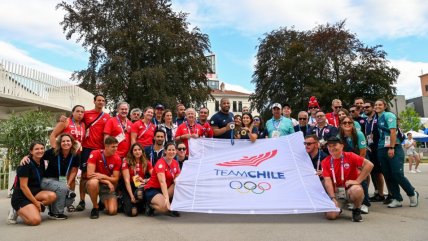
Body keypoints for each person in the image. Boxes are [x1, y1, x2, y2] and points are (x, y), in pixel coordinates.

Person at [375, 99, 419, 208]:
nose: (377, 106)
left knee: (397, 174)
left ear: (385, 106)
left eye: (380, 104)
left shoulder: (388, 115)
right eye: (375, 105)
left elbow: (393, 131)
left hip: (393, 147)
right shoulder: (377, 118)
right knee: (388, 175)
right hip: (381, 148)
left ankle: (412, 193)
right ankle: (397, 198)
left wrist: (391, 147)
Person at [322, 137, 373, 222]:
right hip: (336, 192)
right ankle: (338, 208)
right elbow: (327, 181)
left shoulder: (350, 156)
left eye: (334, 145)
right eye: (329, 146)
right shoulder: (325, 161)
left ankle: (356, 210)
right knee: (330, 216)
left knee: (357, 189)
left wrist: (357, 181)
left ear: (342, 146)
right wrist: (333, 198)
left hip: (349, 191)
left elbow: (369, 165)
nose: (332, 148)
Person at [76, 94, 110, 212]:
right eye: (99, 100)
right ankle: (82, 201)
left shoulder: (107, 117)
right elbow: (75, 119)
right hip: (87, 148)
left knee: (99, 174)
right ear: (94, 101)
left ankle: (100, 200)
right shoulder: (86, 114)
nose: (101, 102)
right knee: (84, 175)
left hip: (100, 149)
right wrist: (63, 118)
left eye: (103, 100)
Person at [9, 142, 56, 225]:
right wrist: (36, 203)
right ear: (31, 151)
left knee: (52, 196)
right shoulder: (25, 164)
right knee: (35, 220)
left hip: (35, 192)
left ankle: (30, 208)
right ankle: (16, 209)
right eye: (36, 149)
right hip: (21, 195)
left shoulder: (41, 161)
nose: (40, 151)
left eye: (42, 148)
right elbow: (23, 187)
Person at [338, 116, 370, 214]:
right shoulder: (339, 136)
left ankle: (365, 203)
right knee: (347, 178)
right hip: (348, 161)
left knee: (362, 179)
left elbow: (363, 152)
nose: (347, 124)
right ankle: (353, 201)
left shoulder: (359, 134)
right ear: (341, 125)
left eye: (349, 122)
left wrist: (359, 167)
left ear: (353, 124)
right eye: (345, 123)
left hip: (361, 159)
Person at [86, 137, 122, 219]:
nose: (115, 149)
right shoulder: (95, 153)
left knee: (112, 211)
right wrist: (108, 181)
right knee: (93, 182)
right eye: (113, 147)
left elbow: (116, 179)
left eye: (116, 146)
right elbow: (90, 174)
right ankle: (95, 207)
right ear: (106, 146)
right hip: (95, 183)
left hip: (106, 187)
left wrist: (104, 177)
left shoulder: (117, 158)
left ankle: (103, 202)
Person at [144, 142, 181, 217]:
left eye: (173, 150)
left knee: (178, 184)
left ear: (176, 151)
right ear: (165, 151)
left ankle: (172, 204)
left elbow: (177, 176)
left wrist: (176, 180)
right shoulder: (160, 163)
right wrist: (166, 199)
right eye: (169, 150)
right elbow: (162, 182)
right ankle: (149, 205)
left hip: (164, 189)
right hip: (153, 189)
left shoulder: (175, 163)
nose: (171, 152)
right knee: (164, 208)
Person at [121, 143, 153, 217]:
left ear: (142, 151)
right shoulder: (126, 162)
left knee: (139, 194)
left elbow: (154, 176)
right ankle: (123, 202)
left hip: (140, 185)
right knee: (133, 213)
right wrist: (131, 196)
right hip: (129, 186)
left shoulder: (146, 162)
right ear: (132, 152)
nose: (137, 152)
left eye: (139, 150)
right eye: (135, 150)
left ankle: (141, 205)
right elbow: (126, 180)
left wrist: (145, 180)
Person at [363, 101, 386, 203]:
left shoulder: (379, 118)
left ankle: (382, 194)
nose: (365, 109)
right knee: (375, 172)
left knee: (380, 172)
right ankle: (378, 193)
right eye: (364, 108)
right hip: (371, 149)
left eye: (367, 107)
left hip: (379, 148)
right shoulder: (367, 120)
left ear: (372, 108)